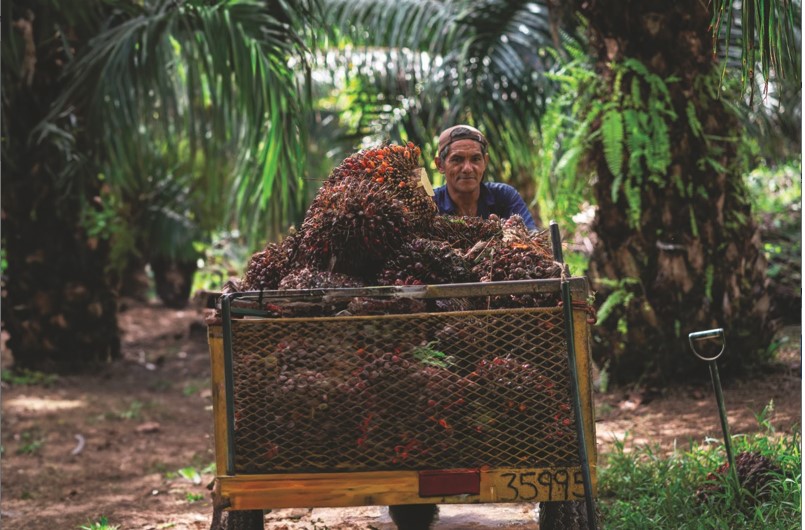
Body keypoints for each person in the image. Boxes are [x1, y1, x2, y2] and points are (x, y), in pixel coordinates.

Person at [433, 124, 538, 231]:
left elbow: (533, 239)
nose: (467, 168)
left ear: (485, 162)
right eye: (457, 159)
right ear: (440, 165)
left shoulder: (504, 197)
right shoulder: (430, 205)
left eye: (475, 159)